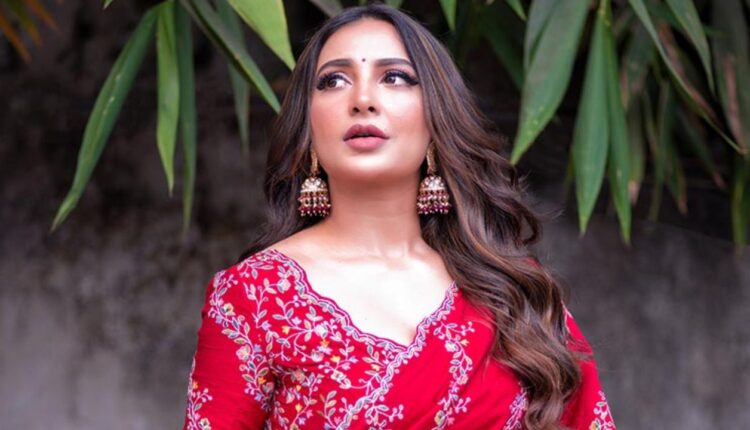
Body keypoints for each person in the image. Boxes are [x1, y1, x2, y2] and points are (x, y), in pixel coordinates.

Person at [181, 4, 616, 430]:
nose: (362, 100)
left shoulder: (513, 290)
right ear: (308, 128)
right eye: (333, 81)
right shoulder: (254, 295)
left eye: (394, 77)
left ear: (436, 118)